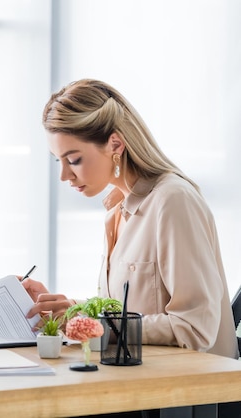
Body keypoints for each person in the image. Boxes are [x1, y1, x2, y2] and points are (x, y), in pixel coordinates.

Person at [22, 79, 238, 360]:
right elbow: (129, 312)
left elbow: (194, 328)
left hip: (188, 394)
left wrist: (95, 325)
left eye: (73, 160)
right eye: (58, 161)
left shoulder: (173, 201)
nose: (64, 176)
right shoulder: (116, 208)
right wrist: (69, 309)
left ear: (115, 144)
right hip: (139, 379)